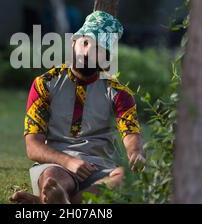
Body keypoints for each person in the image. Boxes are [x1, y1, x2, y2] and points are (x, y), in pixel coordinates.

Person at [10, 11, 145, 204]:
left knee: (124, 179)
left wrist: (136, 153)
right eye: (86, 43)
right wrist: (69, 161)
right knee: (53, 180)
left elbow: (131, 135)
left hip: (103, 170)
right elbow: (33, 146)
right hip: (57, 165)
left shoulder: (119, 93)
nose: (88, 52)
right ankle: (58, 197)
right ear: (74, 42)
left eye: (98, 49)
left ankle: (51, 202)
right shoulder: (44, 84)